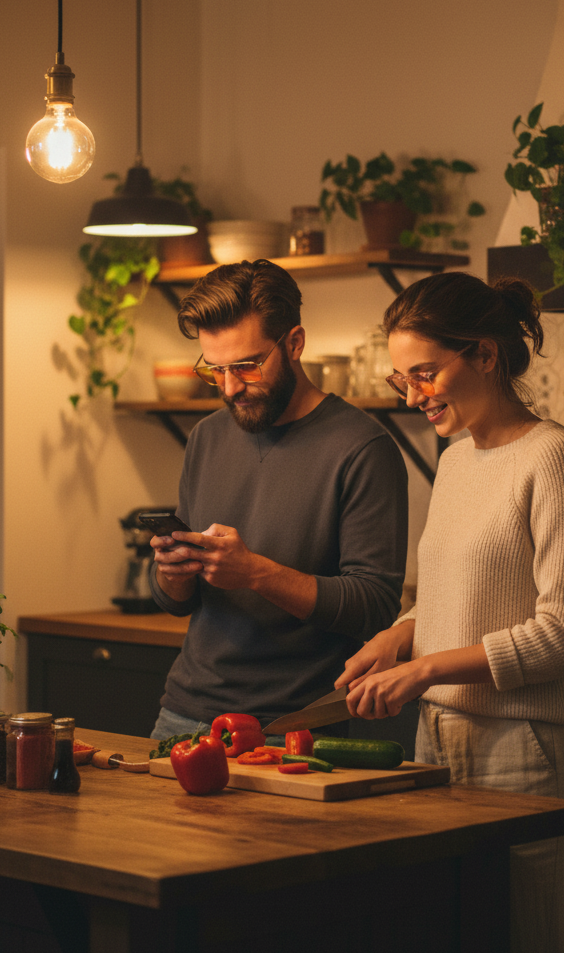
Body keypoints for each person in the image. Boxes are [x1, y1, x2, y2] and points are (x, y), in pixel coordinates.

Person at [335, 272, 564, 953]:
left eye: (426, 373)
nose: (413, 393)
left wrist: (425, 669)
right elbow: (445, 599)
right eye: (404, 377)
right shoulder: (455, 461)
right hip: (441, 743)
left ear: (484, 354)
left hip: (528, 753)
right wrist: (396, 638)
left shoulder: (557, 458)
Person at [148, 258, 408, 741]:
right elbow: (174, 602)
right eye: (215, 370)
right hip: (183, 715)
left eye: (246, 365)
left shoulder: (362, 448)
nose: (229, 387)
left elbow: (374, 605)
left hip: (292, 727)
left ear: (294, 343)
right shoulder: (206, 437)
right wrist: (172, 570)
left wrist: (255, 573)